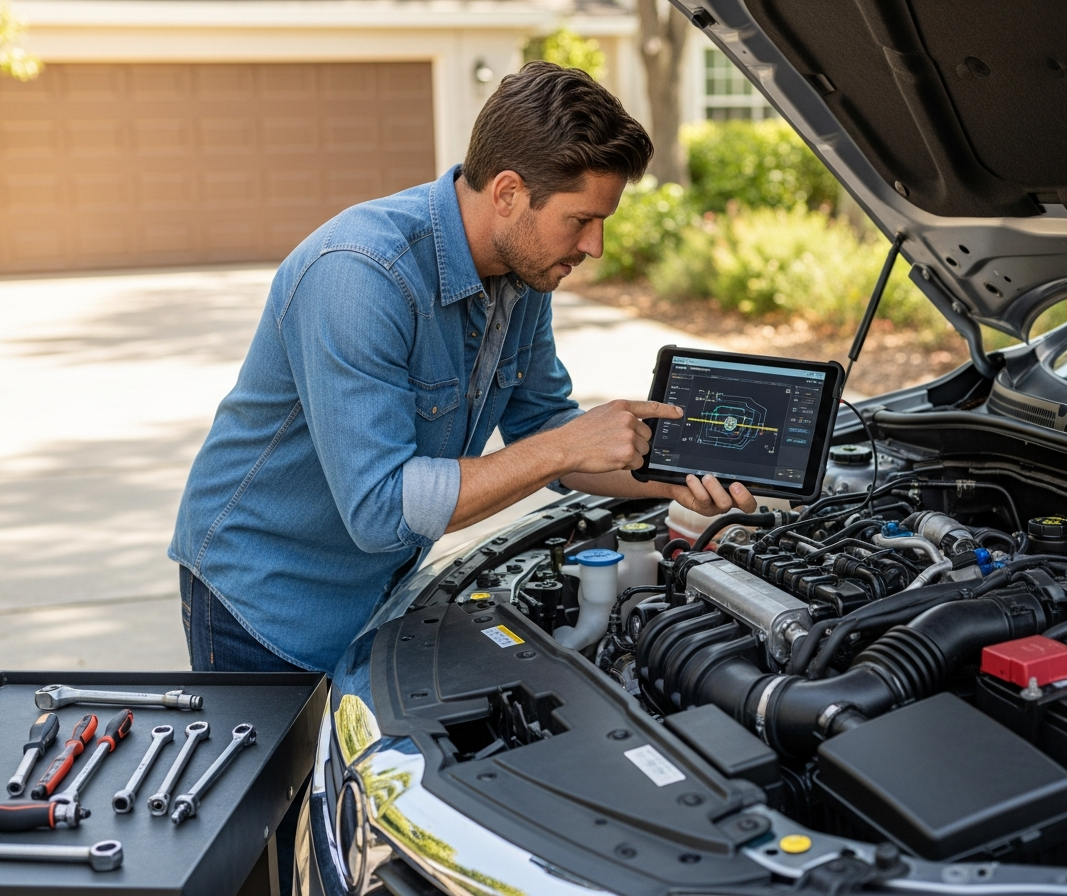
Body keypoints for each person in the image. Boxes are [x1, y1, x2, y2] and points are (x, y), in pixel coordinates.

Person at [169, 61, 755, 891]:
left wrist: (672, 480)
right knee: (261, 843)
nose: (595, 247)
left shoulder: (522, 275)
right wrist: (565, 448)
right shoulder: (359, 275)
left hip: (378, 590)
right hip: (263, 597)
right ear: (509, 192)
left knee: (351, 817)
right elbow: (384, 507)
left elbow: (550, 429)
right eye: (582, 220)